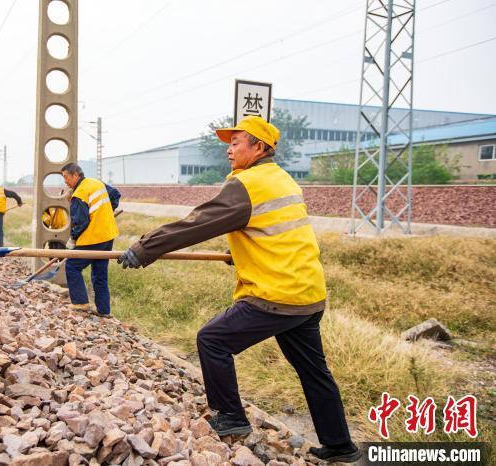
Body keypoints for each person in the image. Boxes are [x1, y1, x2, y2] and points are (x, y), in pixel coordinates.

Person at [117, 116, 360, 463]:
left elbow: (199, 222)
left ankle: (231, 417)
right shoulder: (282, 179)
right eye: (228, 143)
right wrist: (242, 252)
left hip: (275, 295)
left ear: (259, 148)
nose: (229, 150)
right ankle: (340, 445)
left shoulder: (247, 183)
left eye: (236, 142)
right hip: (307, 292)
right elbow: (276, 231)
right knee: (313, 371)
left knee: (212, 340)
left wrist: (145, 248)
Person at [61, 163, 120, 317]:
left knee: (72, 265)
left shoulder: (79, 194)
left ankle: (80, 304)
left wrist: (73, 238)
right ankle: (104, 311)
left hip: (94, 238)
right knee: (100, 273)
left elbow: (81, 221)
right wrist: (105, 214)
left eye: (66, 177)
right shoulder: (96, 183)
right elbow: (115, 195)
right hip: (108, 235)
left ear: (75, 175)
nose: (65, 181)